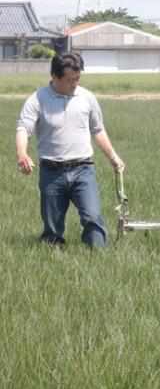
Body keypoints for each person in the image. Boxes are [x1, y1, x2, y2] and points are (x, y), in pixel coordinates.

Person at [16, 52, 125, 247]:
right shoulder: (38, 99)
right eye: (69, 80)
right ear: (55, 77)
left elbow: (98, 130)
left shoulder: (87, 98)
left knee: (92, 216)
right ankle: (52, 258)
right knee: (52, 226)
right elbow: (24, 128)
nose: (75, 83)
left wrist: (113, 157)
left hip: (83, 169)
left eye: (77, 78)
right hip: (51, 171)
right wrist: (22, 153)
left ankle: (98, 256)